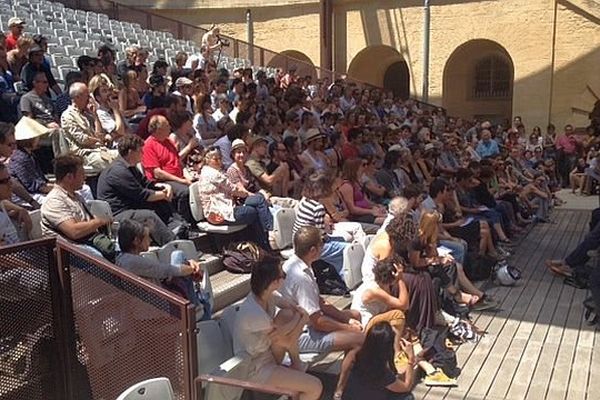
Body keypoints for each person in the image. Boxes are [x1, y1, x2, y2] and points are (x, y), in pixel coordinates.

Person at [279, 226, 364, 398]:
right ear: (313, 250)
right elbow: (318, 321)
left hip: (307, 324)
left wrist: (348, 321)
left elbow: (320, 302)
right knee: (359, 339)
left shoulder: (298, 265)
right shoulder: (300, 277)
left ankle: (350, 373)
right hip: (298, 335)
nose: (324, 247)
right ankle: (340, 391)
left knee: (355, 315)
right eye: (321, 244)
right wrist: (349, 329)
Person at [233, 255, 322, 400]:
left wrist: (298, 314)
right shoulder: (254, 313)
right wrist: (302, 319)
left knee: (287, 315)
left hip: (269, 353)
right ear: (275, 282)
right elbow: (286, 339)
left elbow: (290, 308)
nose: (285, 278)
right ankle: (296, 363)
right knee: (315, 386)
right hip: (255, 368)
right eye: (283, 275)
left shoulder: (268, 295)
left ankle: (296, 363)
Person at [116, 219, 210, 319]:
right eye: (147, 237)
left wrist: (188, 264)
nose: (151, 240)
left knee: (178, 256)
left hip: (158, 299)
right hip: (159, 310)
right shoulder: (132, 261)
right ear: (136, 241)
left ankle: (197, 307)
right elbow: (168, 270)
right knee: (179, 256)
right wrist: (192, 268)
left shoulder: (124, 258)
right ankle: (197, 310)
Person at [97, 134, 179, 246]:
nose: (143, 154)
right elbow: (142, 195)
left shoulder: (130, 167)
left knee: (161, 202)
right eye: (140, 151)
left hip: (130, 207)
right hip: (118, 214)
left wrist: (164, 187)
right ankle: (174, 245)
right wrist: (164, 194)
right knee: (148, 216)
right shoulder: (118, 171)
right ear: (131, 152)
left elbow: (146, 183)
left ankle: (176, 228)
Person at [196, 146, 272, 249]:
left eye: (220, 158)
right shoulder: (213, 174)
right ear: (207, 160)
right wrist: (249, 195)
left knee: (258, 202)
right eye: (215, 159)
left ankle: (263, 243)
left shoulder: (210, 172)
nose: (219, 161)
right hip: (219, 214)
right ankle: (266, 239)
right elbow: (235, 190)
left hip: (223, 209)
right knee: (254, 208)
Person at [40, 155, 112, 254]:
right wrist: (100, 221)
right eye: (82, 174)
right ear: (69, 177)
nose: (85, 177)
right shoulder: (54, 201)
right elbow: (74, 231)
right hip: (72, 253)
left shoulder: (76, 196)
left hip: (88, 246)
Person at [292, 171, 350, 274]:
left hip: (298, 242)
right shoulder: (318, 208)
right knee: (348, 249)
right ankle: (344, 275)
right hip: (311, 244)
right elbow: (320, 236)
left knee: (341, 240)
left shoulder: (304, 200)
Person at [342, 321, 415, 400]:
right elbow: (406, 386)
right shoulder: (380, 371)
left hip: (352, 395)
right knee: (407, 397)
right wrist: (410, 359)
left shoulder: (358, 353)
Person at [141, 115, 192, 222]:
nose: (170, 128)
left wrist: (188, 176)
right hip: (162, 181)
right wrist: (181, 180)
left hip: (178, 177)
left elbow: (177, 161)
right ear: (159, 129)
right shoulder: (148, 145)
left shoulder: (168, 141)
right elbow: (157, 173)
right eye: (167, 126)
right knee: (185, 192)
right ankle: (184, 223)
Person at [60, 82, 118, 174]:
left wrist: (95, 116)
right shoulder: (68, 116)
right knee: (116, 165)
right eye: (87, 96)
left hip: (100, 150)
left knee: (126, 156)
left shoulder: (88, 114)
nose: (89, 99)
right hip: (85, 154)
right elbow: (82, 140)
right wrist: (99, 139)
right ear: (77, 97)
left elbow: (100, 134)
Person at [338, 158, 387, 224]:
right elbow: (352, 209)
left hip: (367, 212)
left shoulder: (357, 183)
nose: (364, 169)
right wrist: (371, 211)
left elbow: (366, 201)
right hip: (358, 217)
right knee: (385, 221)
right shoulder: (347, 186)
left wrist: (376, 206)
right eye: (361, 167)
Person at [88, 73, 127, 142]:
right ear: (98, 97)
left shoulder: (112, 108)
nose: (109, 93)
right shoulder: (101, 113)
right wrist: (116, 110)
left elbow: (127, 129)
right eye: (104, 91)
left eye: (109, 90)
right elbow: (120, 131)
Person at [0, 163, 22, 245]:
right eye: (5, 181)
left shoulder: (1, 202)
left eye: (9, 179)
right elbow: (4, 256)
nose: (10, 184)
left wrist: (20, 209)